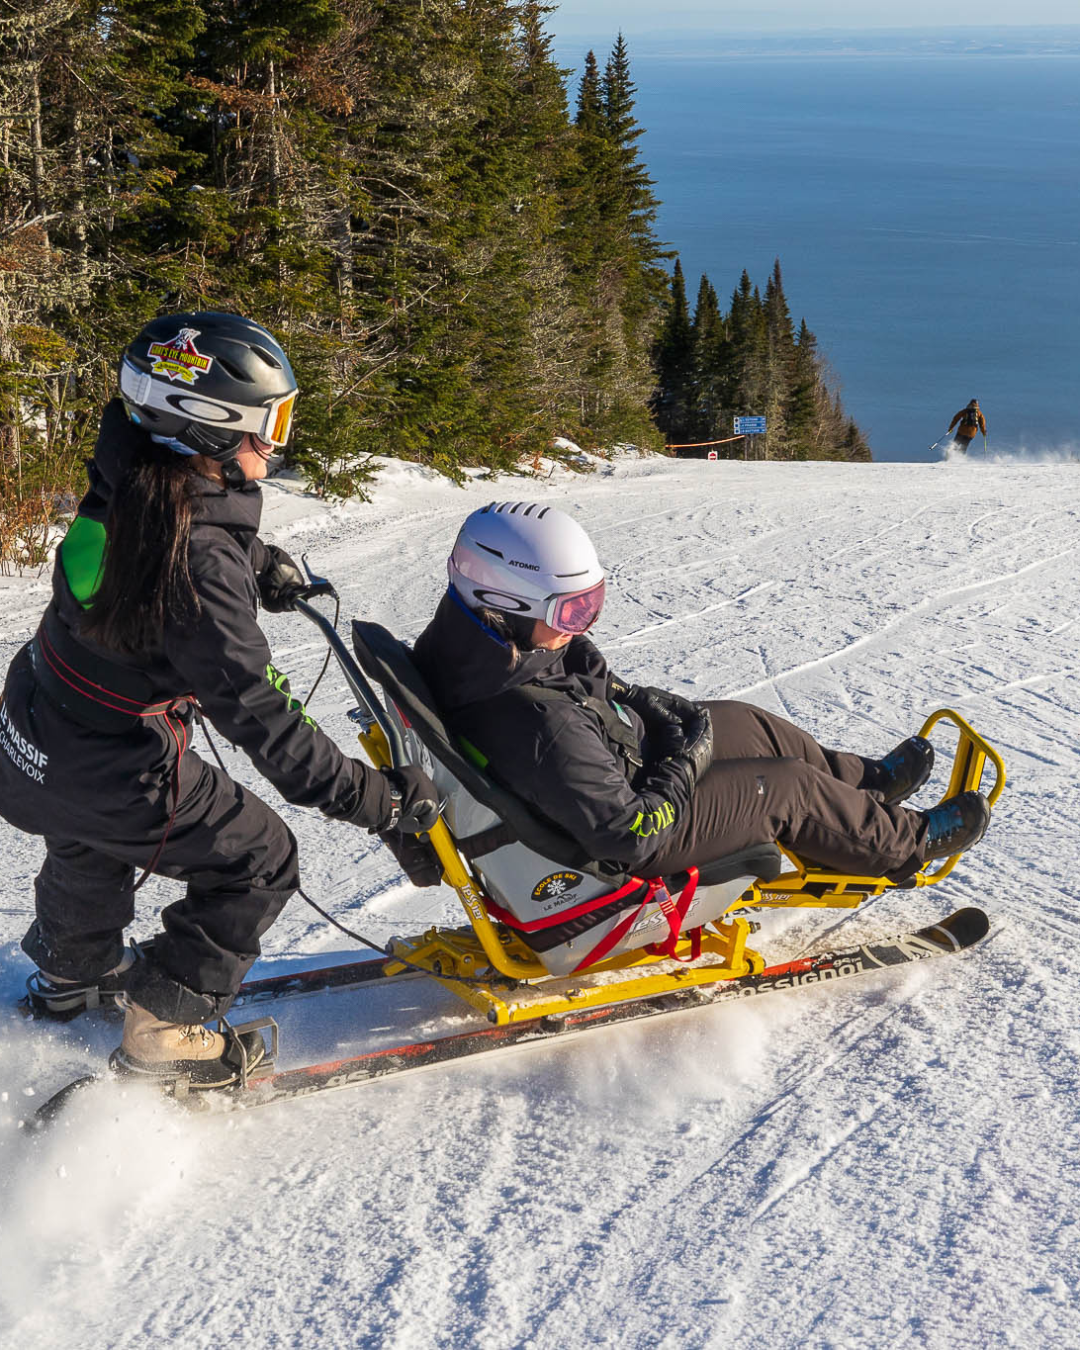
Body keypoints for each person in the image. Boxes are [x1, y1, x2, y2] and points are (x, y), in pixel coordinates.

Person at [0, 312, 437, 1088]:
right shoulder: (198, 558)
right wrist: (382, 801)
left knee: (89, 835)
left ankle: (74, 973)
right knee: (258, 859)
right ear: (208, 431)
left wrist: (256, 558)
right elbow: (261, 716)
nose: (276, 446)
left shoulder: (128, 470)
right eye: (268, 427)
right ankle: (163, 1030)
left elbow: (171, 538)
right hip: (103, 759)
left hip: (29, 736)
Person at [411, 502, 990, 888]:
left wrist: (634, 699)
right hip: (633, 835)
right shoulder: (538, 726)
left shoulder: (478, 640)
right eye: (572, 609)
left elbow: (571, 681)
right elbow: (628, 835)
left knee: (744, 723)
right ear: (505, 599)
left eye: (591, 602)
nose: (583, 624)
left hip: (606, 771)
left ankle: (862, 788)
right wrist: (684, 769)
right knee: (780, 786)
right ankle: (904, 843)